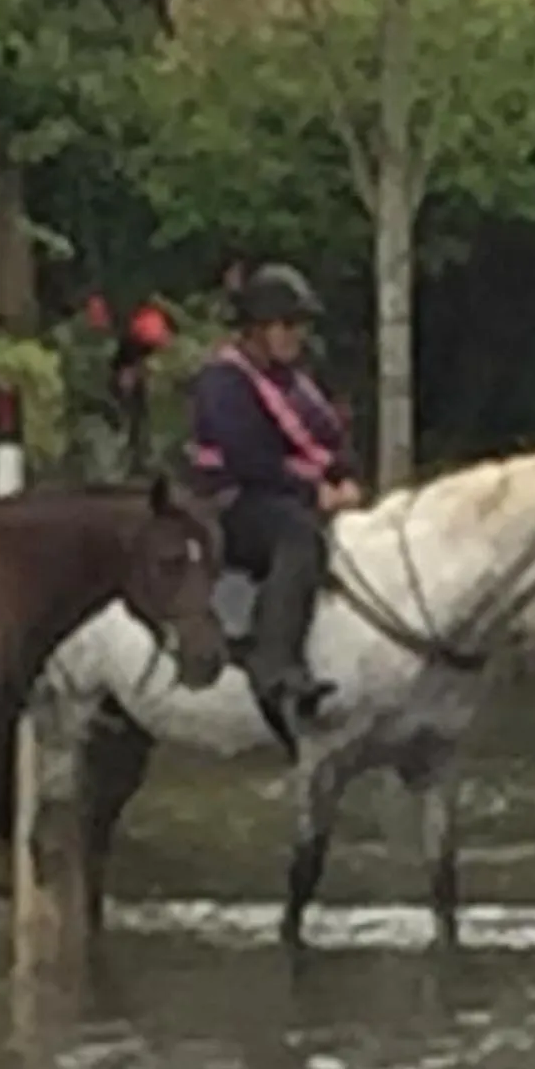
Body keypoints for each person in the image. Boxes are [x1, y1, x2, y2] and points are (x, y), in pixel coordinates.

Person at [186, 263, 364, 731]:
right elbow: (249, 459)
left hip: (284, 495)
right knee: (297, 536)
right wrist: (316, 491)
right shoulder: (222, 382)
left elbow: (330, 439)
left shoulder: (296, 383)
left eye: (300, 325)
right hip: (231, 504)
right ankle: (276, 665)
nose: (296, 335)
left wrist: (346, 477)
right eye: (286, 324)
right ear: (256, 329)